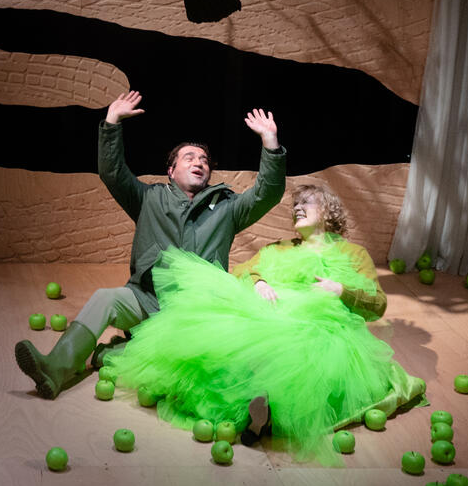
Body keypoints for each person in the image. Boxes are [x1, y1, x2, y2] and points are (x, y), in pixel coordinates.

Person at [107, 184, 427, 461]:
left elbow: (377, 305)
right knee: (223, 331)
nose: (297, 208)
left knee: (301, 352)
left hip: (321, 325)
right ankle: (261, 408)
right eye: (295, 205)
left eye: (307, 202)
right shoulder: (278, 248)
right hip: (270, 314)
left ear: (328, 211)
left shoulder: (354, 254)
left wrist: (341, 290)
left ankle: (267, 410)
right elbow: (242, 271)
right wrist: (259, 282)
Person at [15, 90, 286, 399]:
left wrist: (270, 143)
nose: (199, 162)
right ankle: (54, 368)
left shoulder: (228, 207)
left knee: (192, 361)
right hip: (145, 298)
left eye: (204, 160)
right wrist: (111, 122)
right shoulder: (148, 198)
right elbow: (112, 172)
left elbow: (267, 193)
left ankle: (110, 354)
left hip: (195, 312)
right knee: (106, 298)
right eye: (189, 157)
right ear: (170, 170)